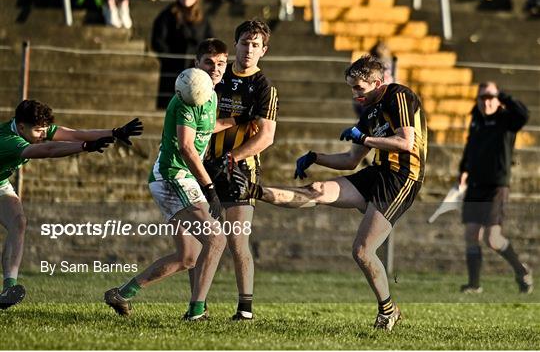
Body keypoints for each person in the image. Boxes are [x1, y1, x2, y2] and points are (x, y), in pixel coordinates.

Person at [231, 54, 427, 331]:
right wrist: (315, 157)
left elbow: (406, 143)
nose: (354, 94)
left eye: (359, 87)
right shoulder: (369, 112)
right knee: (317, 190)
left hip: (402, 179)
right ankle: (254, 190)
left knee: (362, 250)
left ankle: (388, 311)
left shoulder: (399, 96)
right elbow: (350, 160)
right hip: (377, 173)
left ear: (378, 83)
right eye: (351, 87)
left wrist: (365, 138)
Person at [104, 39, 248, 320]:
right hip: (173, 176)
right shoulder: (187, 95)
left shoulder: (212, 95)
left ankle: (122, 294)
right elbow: (186, 147)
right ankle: (197, 311)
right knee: (216, 239)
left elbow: (206, 128)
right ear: (196, 63)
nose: (216, 68)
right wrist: (210, 189)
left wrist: (235, 122)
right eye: (209, 62)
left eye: (220, 63)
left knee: (188, 257)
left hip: (179, 178)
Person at [0, 100, 142, 310]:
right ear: (21, 127)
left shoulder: (30, 130)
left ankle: (8, 290)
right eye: (39, 131)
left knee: (18, 222)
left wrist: (115, 132)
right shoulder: (7, 140)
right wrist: (85, 147)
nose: (43, 134)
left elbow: (75, 134)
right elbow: (48, 150)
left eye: (45, 130)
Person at [203, 19, 278, 321]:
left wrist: (232, 157)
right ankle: (198, 306)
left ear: (264, 50)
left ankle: (245, 308)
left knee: (237, 239)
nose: (249, 50)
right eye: (245, 43)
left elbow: (266, 137)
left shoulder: (264, 88)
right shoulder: (215, 77)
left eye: (255, 45)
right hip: (207, 165)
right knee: (203, 239)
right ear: (235, 45)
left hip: (241, 170)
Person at [458, 82, 533, 294]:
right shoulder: (477, 120)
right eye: (482, 97)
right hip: (474, 185)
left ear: (498, 98)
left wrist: (502, 94)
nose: (486, 101)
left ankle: (522, 271)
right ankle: (474, 285)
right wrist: (463, 169)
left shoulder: (507, 120)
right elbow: (470, 146)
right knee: (471, 234)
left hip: (496, 187)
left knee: (492, 238)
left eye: (491, 97)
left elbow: (524, 114)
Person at [152, 0, 213, 109]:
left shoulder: (203, 18)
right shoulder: (167, 15)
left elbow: (210, 43)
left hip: (195, 72)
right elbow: (158, 41)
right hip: (172, 71)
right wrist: (170, 60)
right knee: (171, 110)